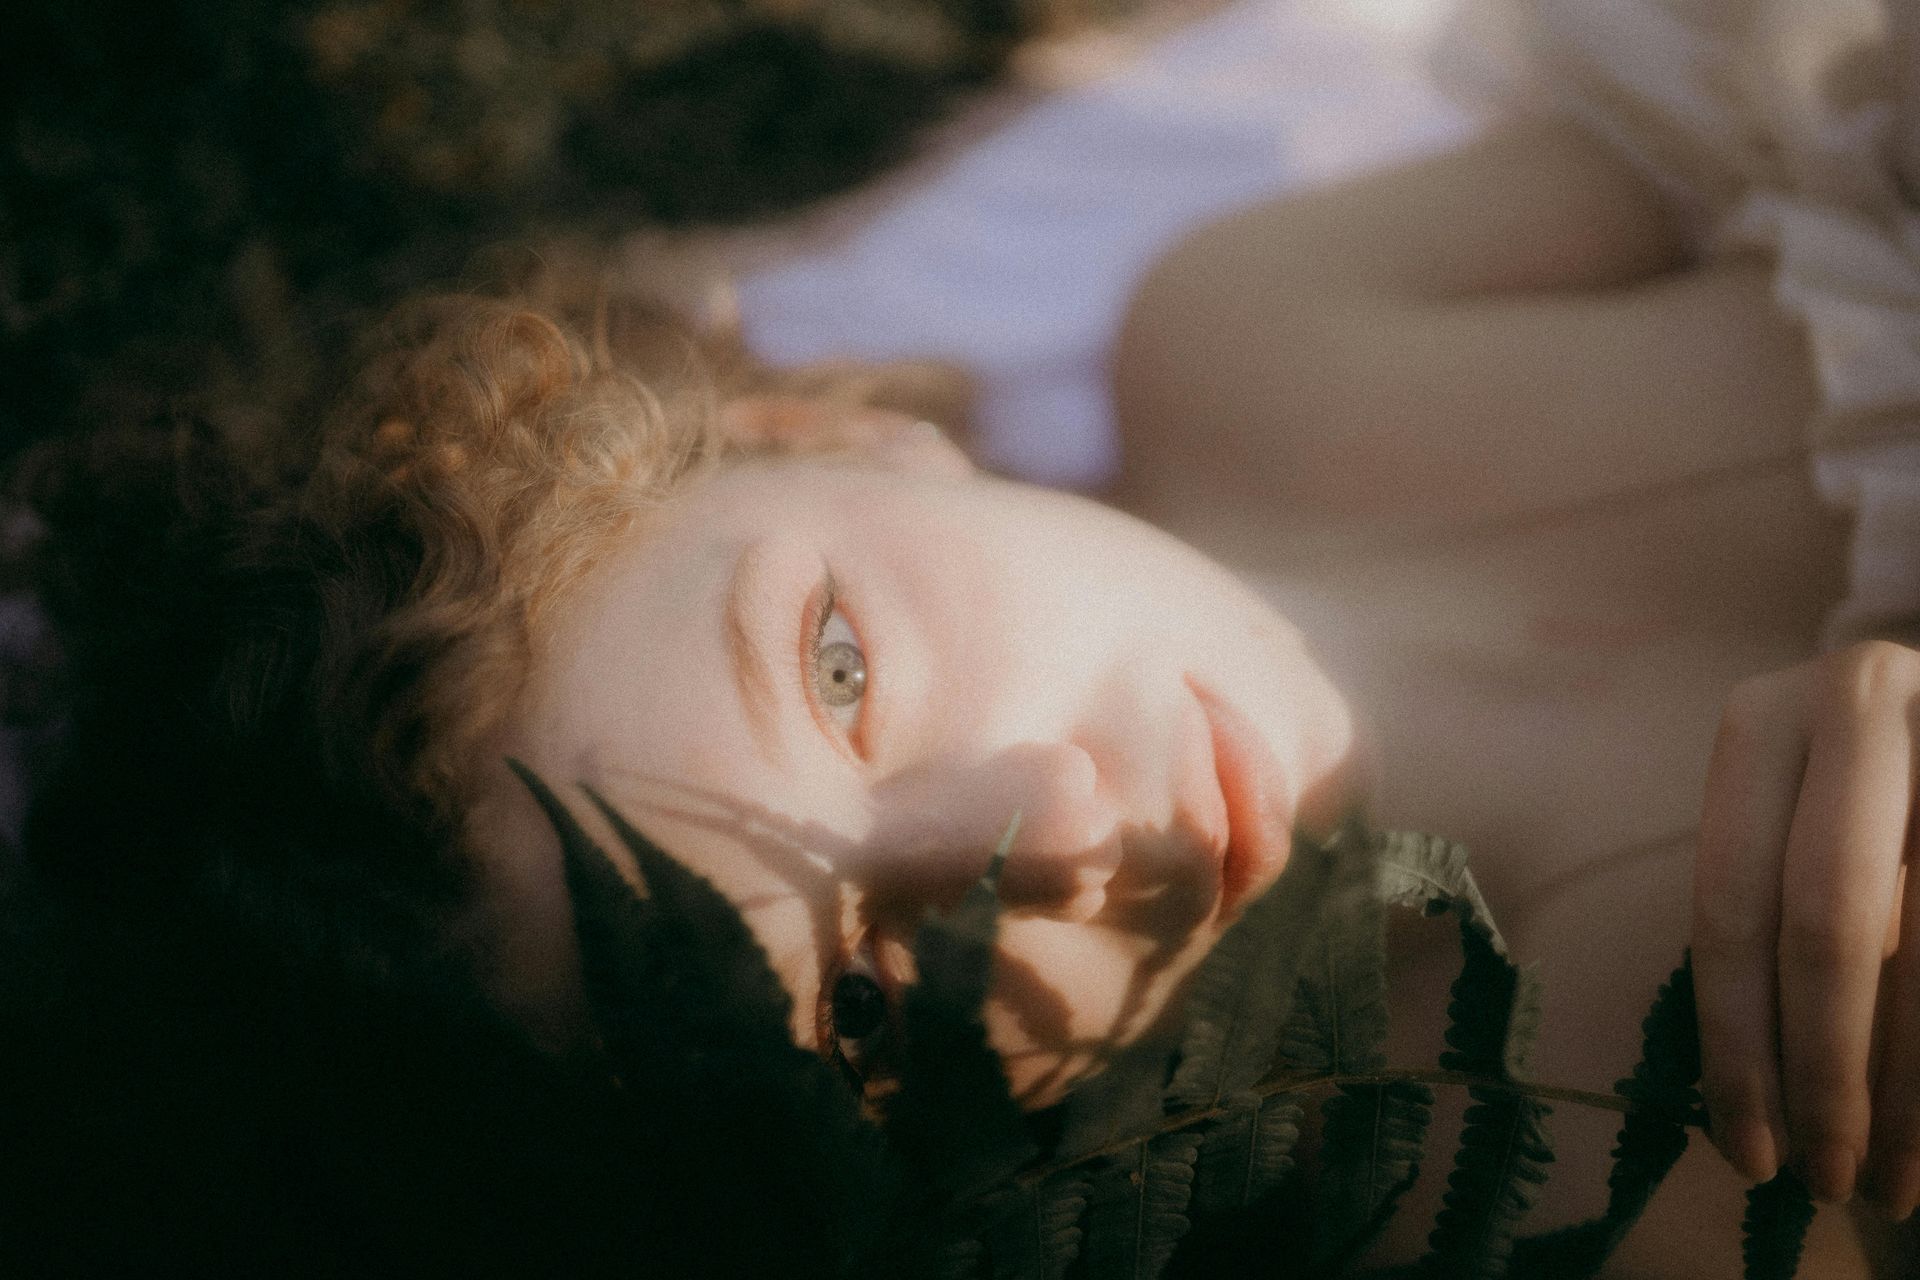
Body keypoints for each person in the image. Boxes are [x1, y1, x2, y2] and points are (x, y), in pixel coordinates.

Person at [1111, 0, 1920, 1272]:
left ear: (823, 443)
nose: (1027, 815)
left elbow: (1741, 101)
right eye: (859, 1008)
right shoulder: (1539, 1164)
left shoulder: (1237, 340)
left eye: (840, 667)